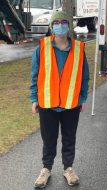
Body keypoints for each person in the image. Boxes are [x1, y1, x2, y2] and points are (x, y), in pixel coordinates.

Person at [30, 11, 89, 188]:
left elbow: (84, 76)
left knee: (69, 138)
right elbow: (34, 75)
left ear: (69, 25)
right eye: (57, 22)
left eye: (64, 22)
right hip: (47, 103)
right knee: (49, 139)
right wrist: (34, 98)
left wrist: (83, 97)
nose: (60, 25)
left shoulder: (79, 48)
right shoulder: (41, 48)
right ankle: (46, 169)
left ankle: (68, 169)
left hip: (71, 103)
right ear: (51, 26)